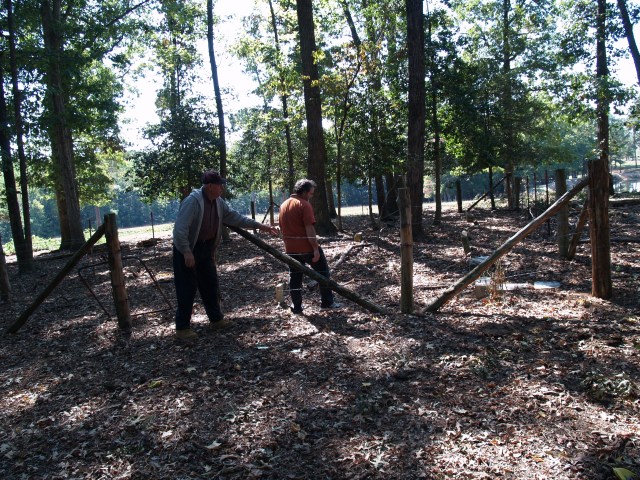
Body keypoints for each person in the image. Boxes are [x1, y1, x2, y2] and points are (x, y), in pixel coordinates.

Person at [172, 170, 279, 340]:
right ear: (209, 186)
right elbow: (180, 229)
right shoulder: (192, 202)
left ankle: (216, 319)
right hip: (188, 249)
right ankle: (182, 328)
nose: (222, 188)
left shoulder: (219, 202)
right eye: (219, 185)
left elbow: (235, 218)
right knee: (187, 287)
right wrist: (186, 251)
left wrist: (260, 226)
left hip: (206, 249)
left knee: (210, 284)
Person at [279, 179, 342, 314]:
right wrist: (315, 248)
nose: (311, 196)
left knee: (295, 277)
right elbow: (309, 228)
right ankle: (327, 302)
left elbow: (282, 228)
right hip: (306, 247)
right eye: (310, 193)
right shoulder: (304, 205)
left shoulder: (283, 205)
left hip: (290, 248)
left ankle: (296, 306)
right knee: (323, 273)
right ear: (304, 192)